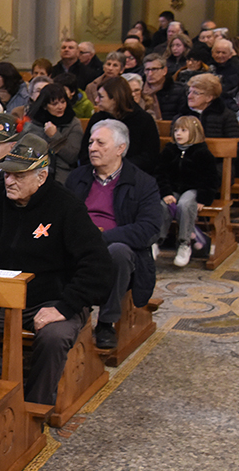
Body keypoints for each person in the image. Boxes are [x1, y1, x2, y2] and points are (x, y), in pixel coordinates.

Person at [0, 134, 113, 404]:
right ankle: (11, 390)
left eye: (19, 176)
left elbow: (98, 266)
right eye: (7, 173)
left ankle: (36, 407)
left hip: (53, 298)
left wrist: (64, 307)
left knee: (54, 337)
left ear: (42, 177)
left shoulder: (67, 207)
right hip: (0, 297)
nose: (9, 181)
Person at [65, 121, 164, 350]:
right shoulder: (77, 177)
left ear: (120, 148)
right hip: (78, 245)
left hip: (117, 250)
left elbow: (149, 229)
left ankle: (106, 322)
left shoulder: (142, 183)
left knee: (117, 252)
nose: (92, 147)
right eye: (90, 142)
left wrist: (101, 238)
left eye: (100, 142)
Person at [155, 116, 219, 267]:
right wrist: (166, 192)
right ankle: (156, 242)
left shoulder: (202, 152)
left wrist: (204, 198)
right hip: (173, 190)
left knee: (185, 204)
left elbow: (210, 178)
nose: (178, 133)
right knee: (162, 205)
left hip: (194, 189)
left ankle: (185, 243)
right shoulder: (169, 150)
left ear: (195, 132)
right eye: (176, 130)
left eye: (183, 130)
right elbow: (160, 173)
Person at [79, 76, 161, 175]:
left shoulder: (144, 120)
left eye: (101, 96)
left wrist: (116, 168)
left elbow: (149, 157)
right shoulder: (97, 119)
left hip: (133, 175)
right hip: (97, 173)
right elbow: (85, 153)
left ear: (115, 98)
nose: (96, 100)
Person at [27, 80, 83, 184]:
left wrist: (55, 136)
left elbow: (72, 156)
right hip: (37, 173)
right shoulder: (34, 124)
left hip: (65, 175)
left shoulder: (73, 123)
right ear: (45, 106)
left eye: (63, 102)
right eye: (54, 104)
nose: (60, 107)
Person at [142, 52, 187, 119]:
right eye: (147, 70)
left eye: (154, 69)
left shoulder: (179, 91)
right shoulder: (139, 90)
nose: (150, 74)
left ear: (164, 70)